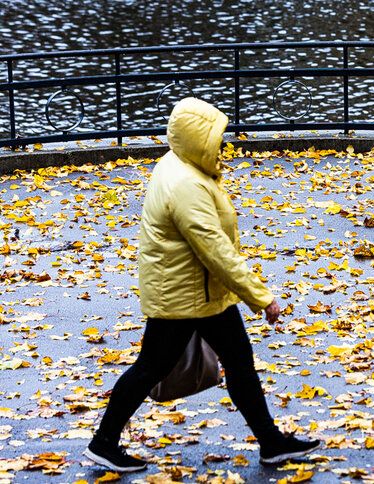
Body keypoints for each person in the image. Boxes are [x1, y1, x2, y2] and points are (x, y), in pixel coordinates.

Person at [83, 97, 321, 472]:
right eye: (217, 139)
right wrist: (261, 298)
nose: (223, 146)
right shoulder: (186, 186)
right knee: (150, 368)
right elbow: (216, 252)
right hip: (185, 296)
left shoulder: (178, 164)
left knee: (240, 364)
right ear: (197, 140)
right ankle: (103, 442)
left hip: (200, 293)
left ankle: (271, 442)